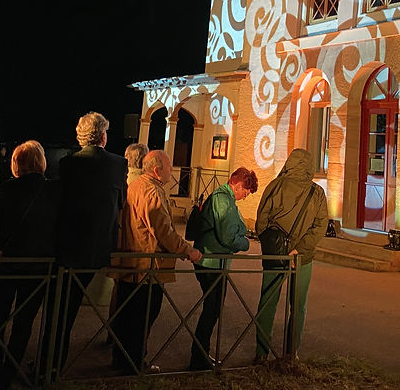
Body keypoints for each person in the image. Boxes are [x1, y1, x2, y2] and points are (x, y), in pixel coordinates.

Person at [43, 112, 127, 375]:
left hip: (69, 247)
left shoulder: (69, 164)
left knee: (60, 312)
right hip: (101, 247)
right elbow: (121, 203)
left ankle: (51, 366)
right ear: (103, 136)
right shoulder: (118, 164)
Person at [113, 149, 201, 373]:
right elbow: (163, 231)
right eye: (169, 166)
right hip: (146, 268)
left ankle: (122, 361)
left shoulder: (135, 185)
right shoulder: (152, 192)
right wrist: (187, 250)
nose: (172, 170)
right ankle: (133, 366)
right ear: (156, 170)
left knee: (127, 318)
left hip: (131, 265)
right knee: (142, 318)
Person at [0, 141, 59, 390]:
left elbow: (0, 220)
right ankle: (10, 371)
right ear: (41, 162)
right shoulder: (53, 190)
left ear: (17, 164)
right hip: (38, 265)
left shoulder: (9, 188)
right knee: (24, 323)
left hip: (7, 261)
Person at [253, 149, 327, 362]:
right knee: (298, 306)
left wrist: (270, 242)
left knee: (267, 302)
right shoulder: (317, 192)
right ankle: (291, 353)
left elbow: (261, 219)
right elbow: (320, 226)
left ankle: (261, 353)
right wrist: (299, 249)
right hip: (301, 258)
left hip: (275, 254)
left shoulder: (275, 186)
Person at [189, 167, 258, 370]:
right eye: (245, 192)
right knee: (212, 309)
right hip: (211, 262)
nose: (245, 197)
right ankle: (198, 358)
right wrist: (244, 242)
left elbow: (234, 228)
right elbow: (228, 236)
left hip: (214, 261)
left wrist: (239, 232)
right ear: (236, 184)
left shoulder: (225, 199)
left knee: (212, 309)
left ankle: (201, 355)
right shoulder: (223, 200)